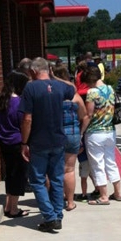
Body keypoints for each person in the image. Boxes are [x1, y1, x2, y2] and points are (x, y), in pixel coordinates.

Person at [19, 57, 75, 232]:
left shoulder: (30, 88)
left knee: (37, 181)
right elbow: (72, 89)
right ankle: (57, 215)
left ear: (34, 71)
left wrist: (24, 142)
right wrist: (55, 77)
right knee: (57, 179)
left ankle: (50, 217)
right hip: (57, 140)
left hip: (38, 141)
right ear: (48, 70)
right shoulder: (59, 86)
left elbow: (27, 119)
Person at [81, 66, 121, 205]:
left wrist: (81, 132)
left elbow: (88, 114)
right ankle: (117, 193)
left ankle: (103, 196)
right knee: (111, 162)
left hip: (95, 132)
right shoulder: (110, 88)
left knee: (97, 164)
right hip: (110, 131)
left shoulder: (92, 92)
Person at [0, 70, 30, 218]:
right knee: (18, 176)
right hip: (17, 142)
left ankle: (9, 205)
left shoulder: (0, 101)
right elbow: (24, 123)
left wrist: (2, 130)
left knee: (10, 173)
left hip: (3, 142)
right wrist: (25, 143)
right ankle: (14, 209)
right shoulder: (19, 103)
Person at [52, 64, 87, 211]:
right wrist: (80, 133)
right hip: (72, 133)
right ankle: (70, 202)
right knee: (69, 169)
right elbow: (84, 116)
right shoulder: (74, 95)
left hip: (55, 135)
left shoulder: (51, 95)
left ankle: (56, 201)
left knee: (53, 169)